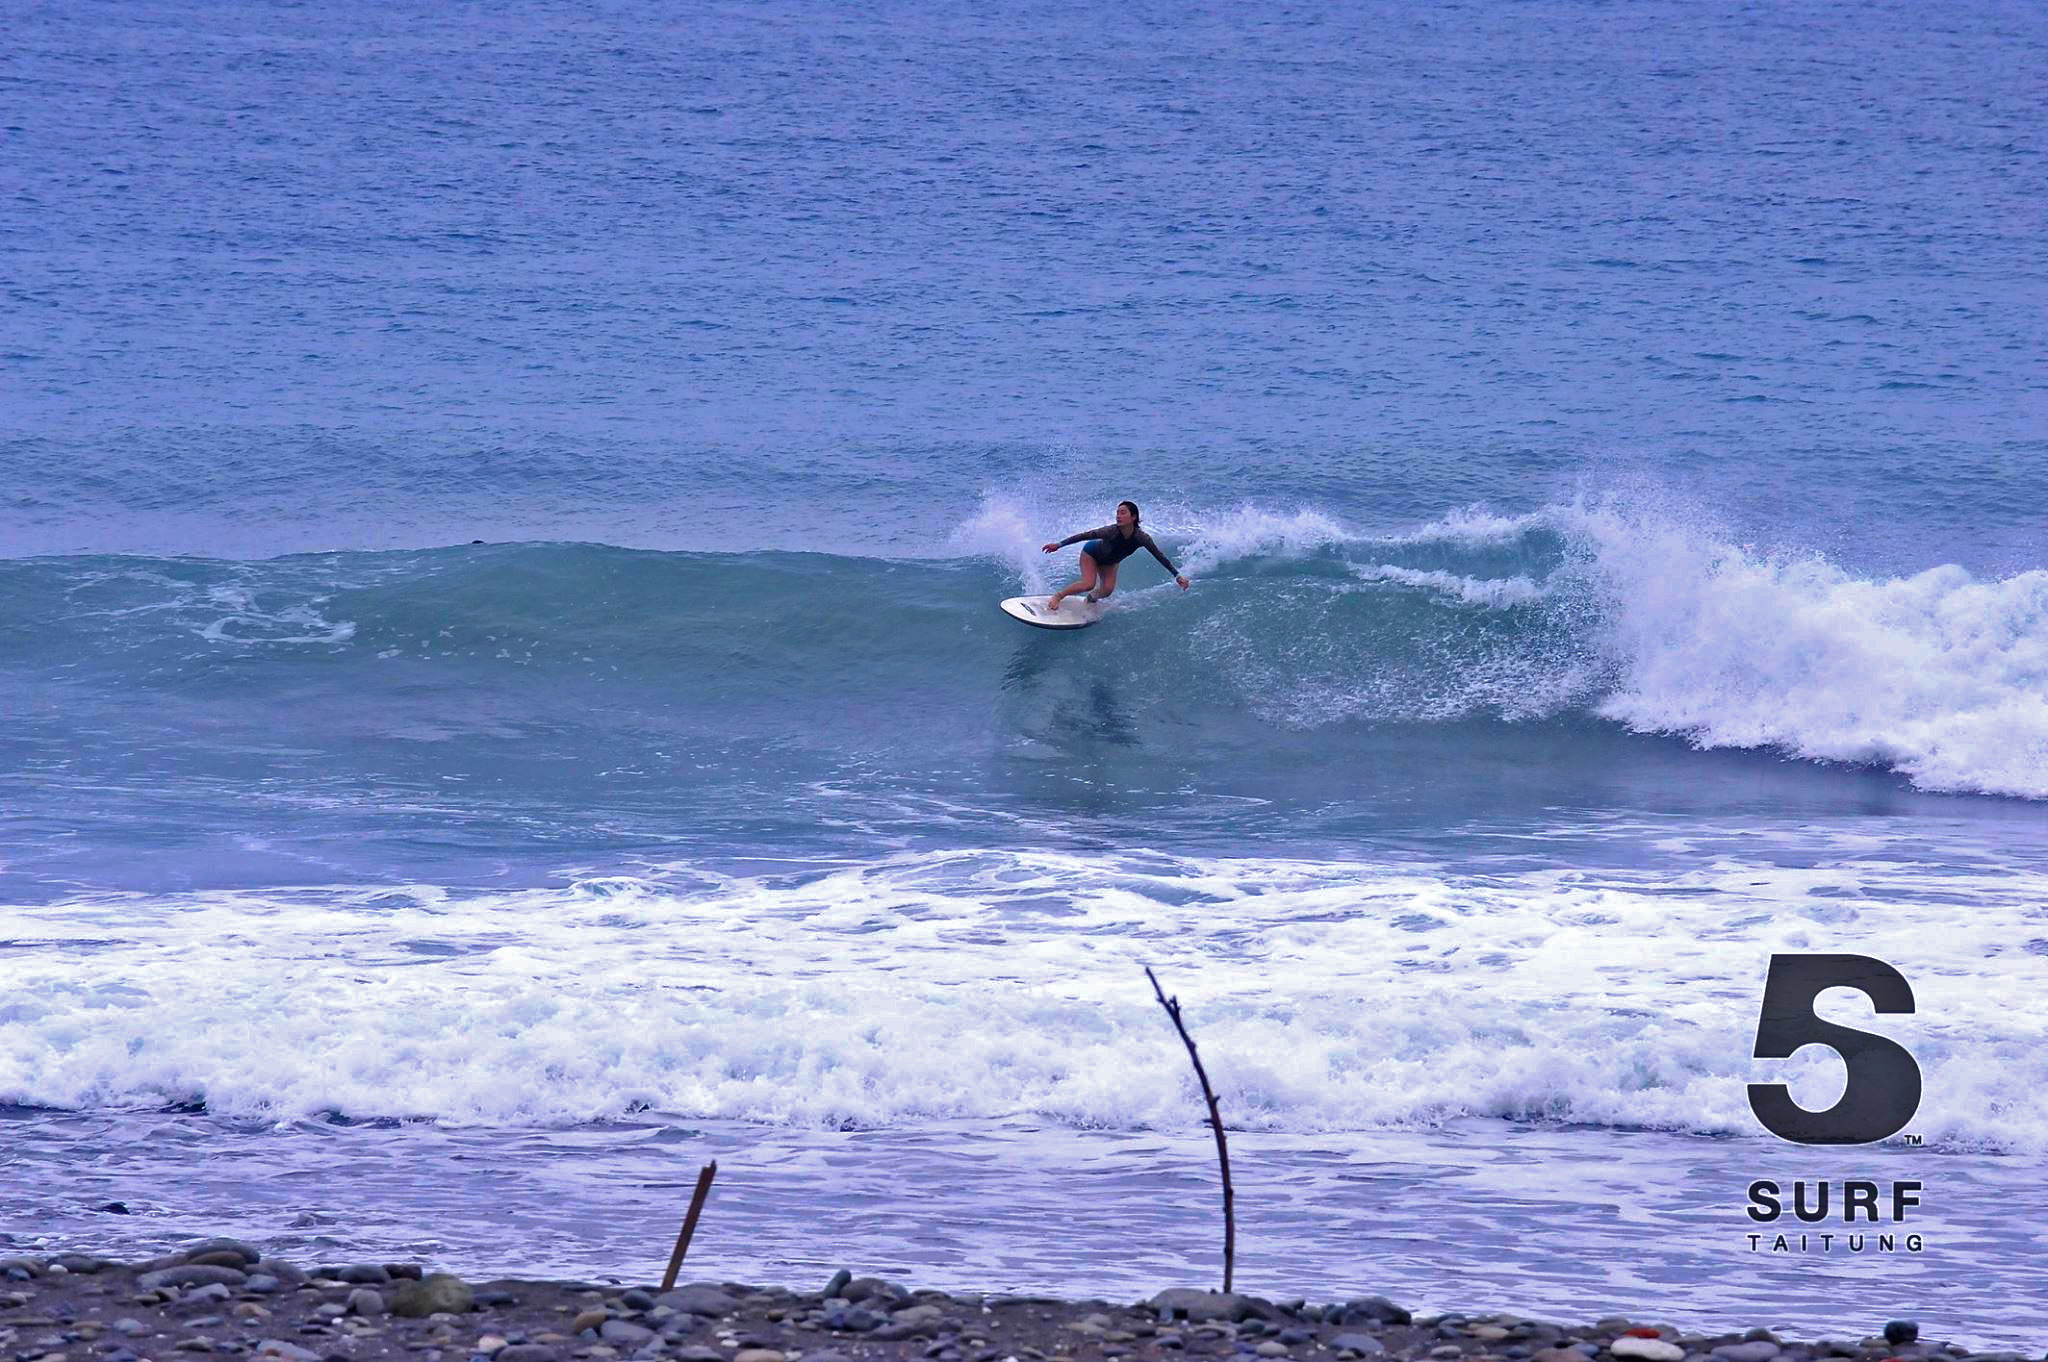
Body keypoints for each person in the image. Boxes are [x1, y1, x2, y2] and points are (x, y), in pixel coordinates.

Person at [1039, 501, 1190, 611]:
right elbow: (1085, 535)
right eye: (1117, 512)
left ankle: (1089, 601)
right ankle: (1058, 596)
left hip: (1110, 562)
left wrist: (1177, 576)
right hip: (1091, 554)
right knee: (1088, 584)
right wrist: (1059, 544)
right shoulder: (1110, 531)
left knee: (1107, 590)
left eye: (1123, 512)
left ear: (1133, 517)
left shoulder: (1142, 538)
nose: (1118, 516)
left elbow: (1159, 555)